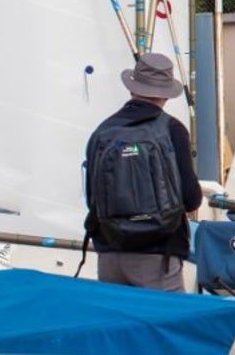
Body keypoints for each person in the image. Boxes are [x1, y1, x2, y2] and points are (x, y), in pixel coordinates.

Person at [83, 52, 202, 291]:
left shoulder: (103, 131)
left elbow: (91, 198)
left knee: (118, 326)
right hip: (158, 255)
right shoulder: (172, 129)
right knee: (168, 325)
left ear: (131, 88)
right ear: (166, 95)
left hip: (110, 253)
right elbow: (191, 199)